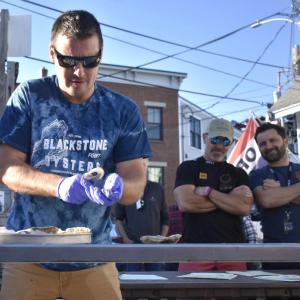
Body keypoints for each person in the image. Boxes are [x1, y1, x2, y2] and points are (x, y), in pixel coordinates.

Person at [0, 10, 151, 300]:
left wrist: (118, 187)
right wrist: (60, 186)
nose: (79, 72)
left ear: (100, 56)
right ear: (52, 54)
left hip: (94, 259)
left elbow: (135, 183)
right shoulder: (30, 96)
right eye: (68, 61)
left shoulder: (123, 110)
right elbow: (7, 168)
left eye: (89, 61)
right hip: (28, 258)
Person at [174, 118, 253, 275]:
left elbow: (243, 207)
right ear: (205, 138)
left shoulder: (238, 173)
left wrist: (210, 192)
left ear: (231, 143)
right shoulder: (188, 167)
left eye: (226, 141)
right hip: (195, 251)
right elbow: (186, 203)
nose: (219, 146)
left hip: (233, 251)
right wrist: (230, 197)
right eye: (215, 139)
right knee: (189, 294)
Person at [249, 122, 300, 271]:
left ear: (285, 141)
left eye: (273, 140)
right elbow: (267, 200)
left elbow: (273, 197)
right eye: (263, 143)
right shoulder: (257, 174)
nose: (268, 146)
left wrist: (281, 190)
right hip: (274, 255)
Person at [115, 159, 169, 272]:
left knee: (157, 280)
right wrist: (126, 239)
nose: (142, 168)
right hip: (133, 246)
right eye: (138, 165)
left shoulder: (157, 188)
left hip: (155, 246)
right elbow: (118, 219)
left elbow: (165, 219)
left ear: (147, 167)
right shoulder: (125, 189)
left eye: (144, 164)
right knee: (132, 280)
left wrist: (161, 240)